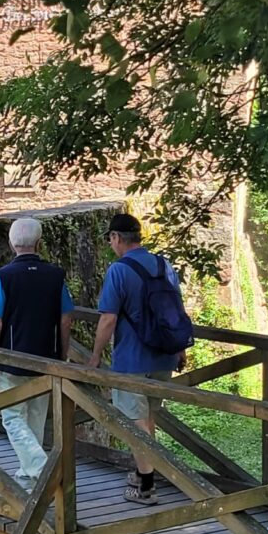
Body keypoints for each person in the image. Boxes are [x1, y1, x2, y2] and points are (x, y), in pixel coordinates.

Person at [88, 212, 189, 505]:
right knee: (147, 417)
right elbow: (177, 310)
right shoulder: (163, 264)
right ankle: (143, 471)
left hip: (132, 359)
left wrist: (95, 356)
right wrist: (180, 348)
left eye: (111, 239)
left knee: (135, 423)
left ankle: (145, 487)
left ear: (117, 238)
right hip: (164, 355)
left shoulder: (118, 270)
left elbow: (108, 319)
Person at [0, 217, 74, 491]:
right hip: (47, 357)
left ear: (12, 244)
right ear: (39, 243)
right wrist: (63, 354)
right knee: (35, 414)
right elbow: (66, 319)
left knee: (12, 417)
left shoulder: (3, 277)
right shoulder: (56, 276)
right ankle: (29, 472)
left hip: (13, 359)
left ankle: (41, 469)